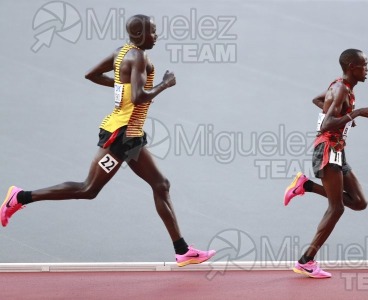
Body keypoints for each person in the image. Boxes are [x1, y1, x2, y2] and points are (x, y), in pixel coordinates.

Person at [1, 14, 215, 267]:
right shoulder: (138, 57)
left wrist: (121, 86)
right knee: (88, 189)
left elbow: (91, 74)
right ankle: (20, 197)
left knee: (161, 185)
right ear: (138, 35)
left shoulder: (122, 52)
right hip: (120, 136)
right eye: (153, 32)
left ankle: (182, 250)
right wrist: (164, 84)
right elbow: (138, 97)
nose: (156, 37)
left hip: (132, 135)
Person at [284, 49, 368, 278]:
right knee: (337, 208)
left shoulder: (340, 87)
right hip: (327, 150)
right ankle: (306, 260)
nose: (367, 69)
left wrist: (343, 116)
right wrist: (354, 114)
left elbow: (318, 100)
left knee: (359, 202)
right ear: (351, 67)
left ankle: (305, 186)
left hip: (338, 151)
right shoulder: (341, 89)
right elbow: (326, 124)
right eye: (364, 65)